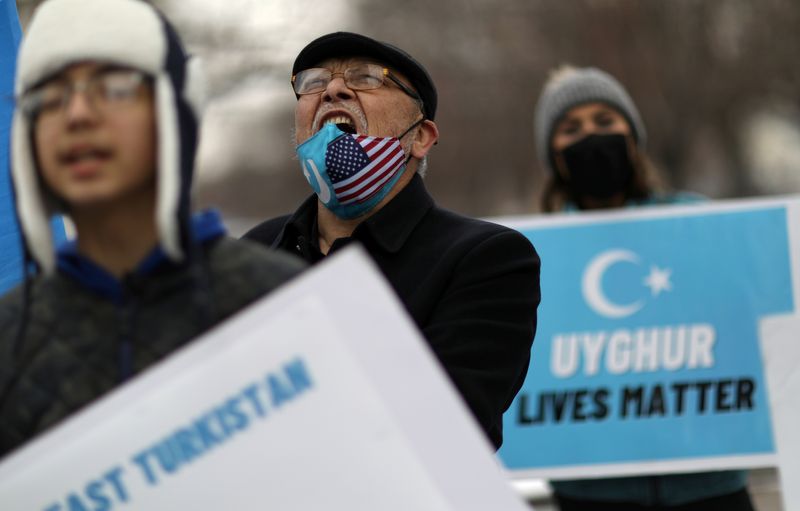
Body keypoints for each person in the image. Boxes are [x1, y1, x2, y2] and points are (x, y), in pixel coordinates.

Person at [0, 0, 304, 458]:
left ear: (174, 112)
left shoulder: (287, 304)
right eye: (48, 95)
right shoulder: (10, 337)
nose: (77, 113)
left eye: (114, 86)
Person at [244, 32, 541, 450]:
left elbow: (444, 423)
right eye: (313, 81)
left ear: (420, 138)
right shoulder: (254, 252)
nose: (333, 89)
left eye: (366, 77)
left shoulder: (487, 259)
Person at [534, 65, 753, 510]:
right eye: (571, 127)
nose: (591, 135)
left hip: (710, 482)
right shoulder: (535, 253)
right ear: (553, 155)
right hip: (593, 492)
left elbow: (743, 318)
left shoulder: (698, 222)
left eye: (605, 121)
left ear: (633, 136)